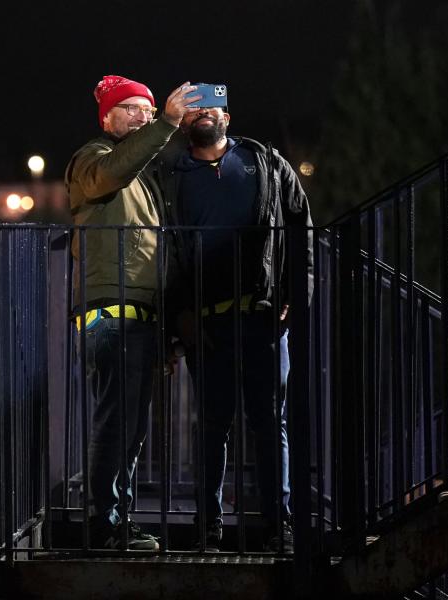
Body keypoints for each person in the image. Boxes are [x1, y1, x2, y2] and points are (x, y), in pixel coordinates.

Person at [152, 87, 314, 552]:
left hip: (264, 315)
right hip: (206, 324)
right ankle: (208, 528)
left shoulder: (265, 162)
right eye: (195, 109)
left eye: (211, 107)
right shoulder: (172, 175)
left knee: (269, 421)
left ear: (227, 115)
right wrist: (174, 321)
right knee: (213, 424)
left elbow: (301, 227)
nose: (204, 115)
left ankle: (277, 525)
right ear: (184, 122)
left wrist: (294, 298)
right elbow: (164, 252)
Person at [66, 75, 199, 551]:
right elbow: (112, 171)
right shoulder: (91, 159)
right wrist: (165, 123)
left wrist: (164, 330)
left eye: (147, 110)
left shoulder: (141, 175)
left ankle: (113, 521)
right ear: (107, 118)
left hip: (139, 317)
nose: (142, 117)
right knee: (117, 421)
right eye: (132, 110)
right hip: (111, 313)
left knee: (131, 425)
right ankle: (104, 525)